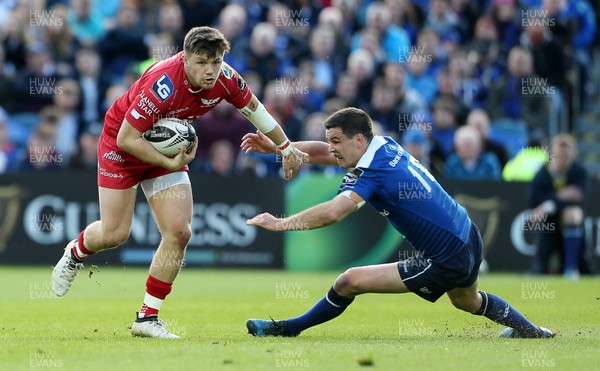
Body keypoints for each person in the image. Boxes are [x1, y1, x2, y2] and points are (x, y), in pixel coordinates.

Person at [51, 26, 306, 339]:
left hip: (164, 150)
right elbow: (127, 138)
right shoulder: (164, 84)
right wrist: (169, 162)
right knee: (115, 233)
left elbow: (256, 111)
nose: (210, 70)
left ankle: (147, 317)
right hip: (122, 147)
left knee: (180, 231)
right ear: (185, 58)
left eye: (215, 61)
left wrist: (286, 146)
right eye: (201, 62)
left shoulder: (225, 77)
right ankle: (75, 252)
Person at [240, 107, 554, 339]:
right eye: (330, 141)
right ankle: (532, 331)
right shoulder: (385, 145)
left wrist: (282, 224)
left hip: (445, 257)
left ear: (358, 139)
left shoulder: (370, 174)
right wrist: (282, 148)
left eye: (337, 140)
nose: (332, 147)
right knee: (467, 301)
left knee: (348, 281)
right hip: (468, 234)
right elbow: (324, 153)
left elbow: (334, 212)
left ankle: (287, 329)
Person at [528, 134, 591, 279]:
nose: (562, 159)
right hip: (549, 221)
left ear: (573, 155)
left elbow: (580, 198)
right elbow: (534, 200)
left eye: (566, 156)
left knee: (573, 213)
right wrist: (560, 196)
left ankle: (570, 269)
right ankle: (541, 266)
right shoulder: (543, 172)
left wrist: (549, 204)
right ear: (552, 154)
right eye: (559, 155)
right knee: (540, 269)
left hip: (568, 220)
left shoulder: (579, 171)